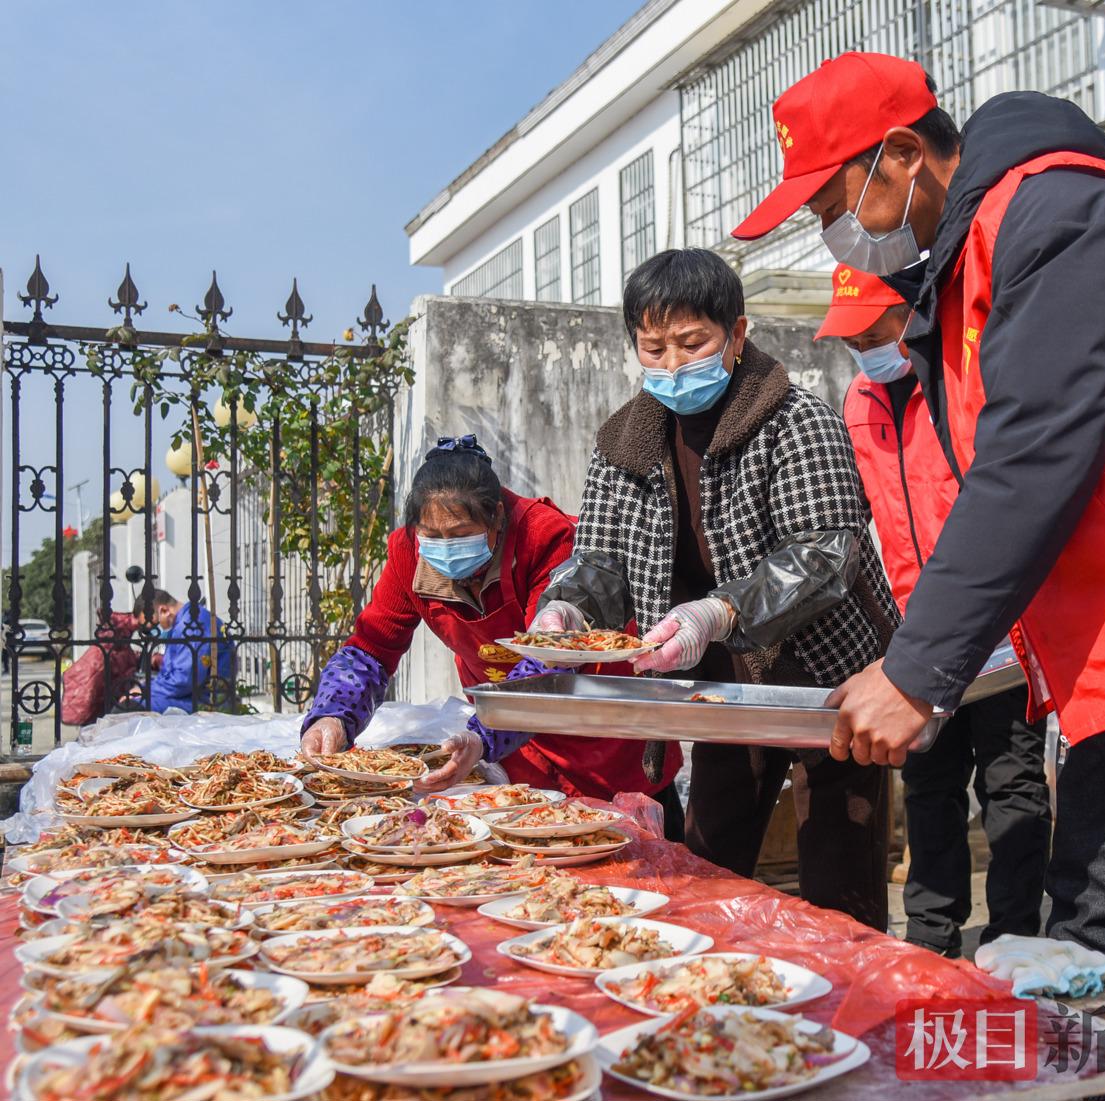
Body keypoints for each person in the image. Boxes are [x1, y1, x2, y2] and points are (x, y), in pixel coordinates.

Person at [732, 51, 1105, 1008]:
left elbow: (1036, 450)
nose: (834, 239)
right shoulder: (969, 258)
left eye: (833, 205)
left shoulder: (1058, 208)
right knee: (1088, 933)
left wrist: (919, 668)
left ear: (902, 155)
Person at [533, 248, 900, 928]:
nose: (672, 364)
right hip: (721, 687)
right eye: (653, 346)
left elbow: (824, 552)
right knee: (709, 861)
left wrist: (720, 608)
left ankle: (849, 1006)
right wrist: (568, 606)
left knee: (838, 878)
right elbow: (601, 559)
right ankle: (717, 1004)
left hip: (829, 675)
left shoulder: (796, 418)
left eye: (692, 342)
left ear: (736, 335)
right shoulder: (623, 440)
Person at [819, 262, 1051, 957]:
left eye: (875, 331)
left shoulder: (960, 381)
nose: (865, 349)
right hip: (919, 632)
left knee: (1011, 783)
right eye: (851, 339)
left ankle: (1012, 937)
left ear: (913, 314)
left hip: (1003, 626)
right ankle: (929, 935)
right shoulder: (860, 400)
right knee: (929, 779)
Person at [298, 437, 685, 831]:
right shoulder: (409, 552)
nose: (444, 548)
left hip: (603, 732)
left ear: (497, 517)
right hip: (513, 745)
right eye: (431, 535)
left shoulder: (545, 537)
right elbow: (371, 648)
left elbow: (549, 659)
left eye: (460, 533)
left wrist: (482, 735)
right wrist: (333, 716)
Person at [131, 590, 234, 713]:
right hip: (188, 697)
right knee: (128, 702)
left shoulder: (192, 624)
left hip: (203, 701)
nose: (153, 632)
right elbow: (170, 675)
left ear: (164, 611)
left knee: (128, 708)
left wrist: (146, 691)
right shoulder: (182, 625)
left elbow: (185, 679)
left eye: (153, 625)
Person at [60, 607, 142, 726]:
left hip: (101, 708)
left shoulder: (116, 647)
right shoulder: (106, 651)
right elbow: (90, 686)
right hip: (96, 711)